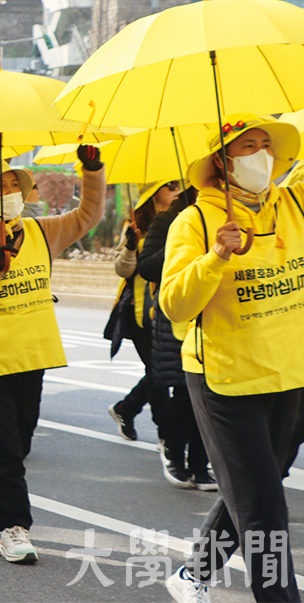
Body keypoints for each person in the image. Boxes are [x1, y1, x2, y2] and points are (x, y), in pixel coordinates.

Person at [159, 114, 302, 603]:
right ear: (221, 162)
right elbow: (175, 304)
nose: (262, 155)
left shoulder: (293, 203)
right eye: (247, 147)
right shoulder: (194, 221)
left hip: (287, 372)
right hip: (224, 380)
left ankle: (193, 573)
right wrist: (216, 256)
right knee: (265, 509)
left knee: (255, 487)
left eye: (267, 144)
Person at [0, 150, 104, 565]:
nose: (11, 192)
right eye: (0, 186)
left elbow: (88, 214)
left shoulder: (40, 231)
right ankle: (15, 527)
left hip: (32, 354)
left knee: (15, 444)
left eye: (15, 184)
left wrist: (92, 170)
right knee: (4, 451)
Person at [136, 187, 213, 491]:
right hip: (177, 316)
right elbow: (147, 266)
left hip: (216, 315)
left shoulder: (233, 216)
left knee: (210, 396)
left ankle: (200, 464)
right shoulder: (172, 219)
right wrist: (183, 243)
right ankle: (174, 456)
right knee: (183, 393)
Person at [106, 180, 179, 444]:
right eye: (171, 185)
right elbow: (123, 270)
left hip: (172, 309)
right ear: (154, 192)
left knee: (161, 372)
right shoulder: (135, 226)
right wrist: (130, 246)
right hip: (140, 312)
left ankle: (126, 409)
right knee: (158, 375)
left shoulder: (184, 221)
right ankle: (167, 437)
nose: (177, 190)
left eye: (179, 185)